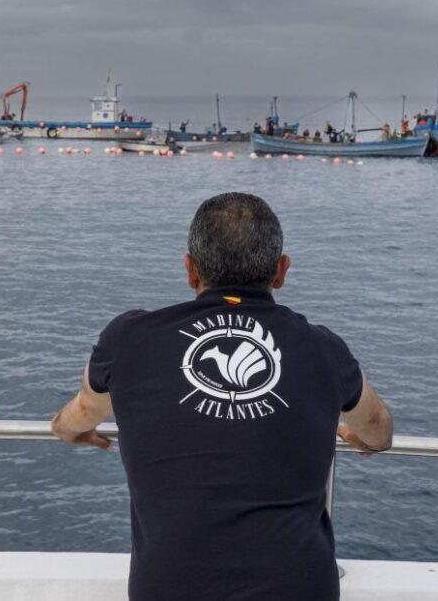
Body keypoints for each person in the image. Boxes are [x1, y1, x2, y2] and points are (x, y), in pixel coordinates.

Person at [52, 193, 393, 601]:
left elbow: (83, 412)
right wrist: (362, 439)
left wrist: (66, 429)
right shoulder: (323, 349)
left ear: (190, 270)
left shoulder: (129, 339)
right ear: (281, 271)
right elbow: (379, 430)